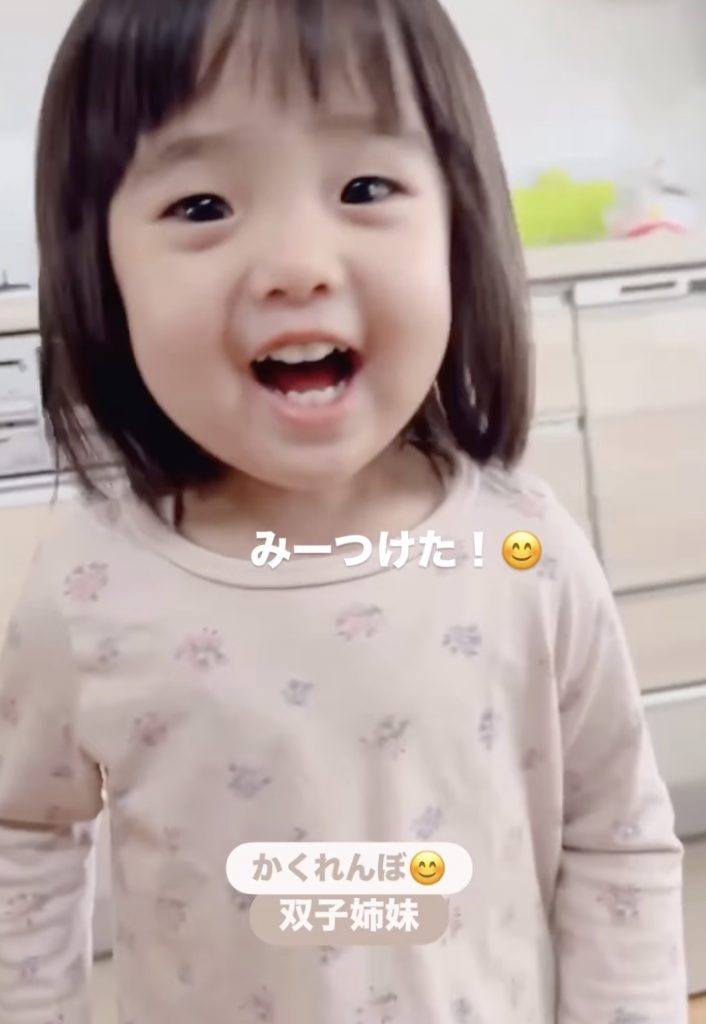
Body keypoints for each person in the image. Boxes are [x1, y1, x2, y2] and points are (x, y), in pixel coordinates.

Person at [0, 0, 688, 1021]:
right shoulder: (89, 587)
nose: (295, 266)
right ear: (100, 268)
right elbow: (23, 838)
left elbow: (615, 837)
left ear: (458, 227)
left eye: (364, 188)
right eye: (201, 205)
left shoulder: (524, 550)